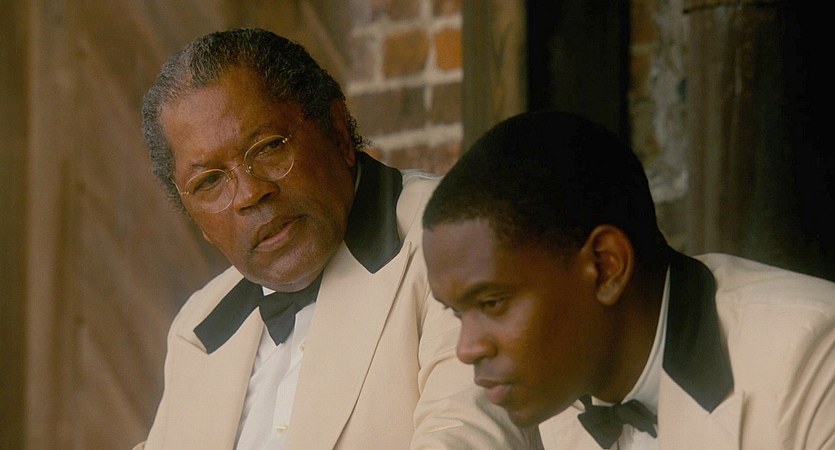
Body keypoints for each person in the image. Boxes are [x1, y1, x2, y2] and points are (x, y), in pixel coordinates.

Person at [134, 28, 541, 450]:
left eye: (268, 147)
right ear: (196, 219)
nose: (250, 194)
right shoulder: (198, 324)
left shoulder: (459, 237)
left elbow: (468, 440)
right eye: (209, 182)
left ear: (338, 131)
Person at [421, 110, 835, 449]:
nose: (466, 349)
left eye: (492, 302)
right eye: (457, 313)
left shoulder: (813, 360)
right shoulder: (561, 403)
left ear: (606, 266)